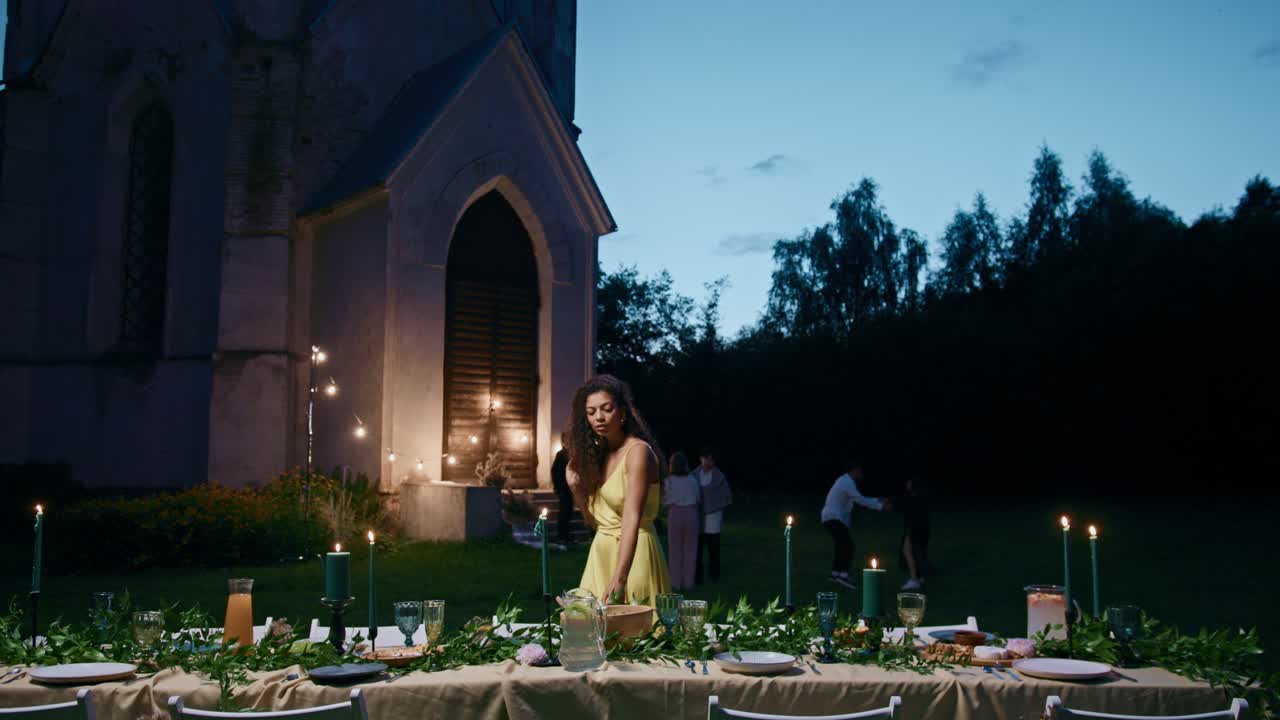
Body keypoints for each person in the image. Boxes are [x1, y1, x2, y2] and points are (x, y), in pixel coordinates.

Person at [565, 375, 672, 607]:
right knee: (589, 636)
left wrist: (620, 577)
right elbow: (597, 523)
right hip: (600, 554)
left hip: (634, 556)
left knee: (638, 635)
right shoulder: (598, 458)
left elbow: (631, 518)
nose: (598, 417)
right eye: (591, 412)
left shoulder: (638, 453)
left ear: (622, 412)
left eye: (606, 409)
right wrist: (575, 488)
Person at [820, 459, 888, 590]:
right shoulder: (846, 482)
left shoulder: (846, 481)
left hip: (831, 517)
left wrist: (878, 500)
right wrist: (880, 506)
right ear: (854, 470)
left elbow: (857, 498)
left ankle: (836, 573)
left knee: (842, 544)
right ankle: (843, 575)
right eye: (860, 470)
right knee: (847, 545)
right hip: (832, 517)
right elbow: (859, 499)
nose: (861, 472)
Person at [692, 447, 732, 584]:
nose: (708, 461)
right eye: (705, 458)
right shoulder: (694, 475)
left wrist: (714, 505)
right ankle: (697, 576)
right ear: (701, 459)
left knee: (713, 548)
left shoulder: (719, 477)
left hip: (713, 518)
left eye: (710, 459)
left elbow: (726, 496)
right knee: (698, 549)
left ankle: (714, 575)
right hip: (698, 518)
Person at [662, 452, 700, 590]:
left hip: (675, 513)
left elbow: (664, 501)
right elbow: (697, 499)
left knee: (675, 550)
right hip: (691, 513)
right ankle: (688, 582)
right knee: (691, 549)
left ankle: (675, 582)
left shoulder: (669, 481)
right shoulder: (692, 480)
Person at [894, 476, 933, 590]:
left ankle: (914, 579)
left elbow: (904, 508)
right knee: (917, 552)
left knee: (907, 551)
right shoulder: (919, 497)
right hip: (922, 528)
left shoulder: (913, 498)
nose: (907, 484)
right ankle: (919, 576)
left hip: (915, 529)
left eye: (909, 483)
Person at [550, 432, 574, 543]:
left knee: (568, 512)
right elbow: (555, 472)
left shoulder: (570, 454)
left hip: (569, 489)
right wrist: (558, 488)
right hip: (564, 489)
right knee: (564, 513)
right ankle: (562, 537)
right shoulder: (561, 454)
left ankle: (566, 536)